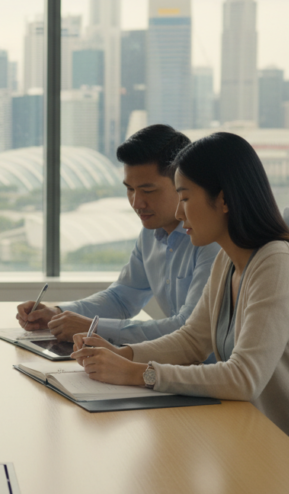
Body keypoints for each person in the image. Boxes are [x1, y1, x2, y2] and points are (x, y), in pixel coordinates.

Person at [70, 132, 289, 480]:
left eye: (185, 198)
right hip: (252, 437)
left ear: (223, 200)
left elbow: (243, 378)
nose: (177, 212)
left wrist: (135, 374)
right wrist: (124, 355)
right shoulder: (229, 259)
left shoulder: (277, 264)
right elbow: (191, 340)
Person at [17, 124, 221, 345]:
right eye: (130, 189)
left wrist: (92, 328)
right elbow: (122, 297)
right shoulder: (150, 234)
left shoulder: (211, 241)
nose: (136, 203)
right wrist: (57, 313)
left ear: (182, 184)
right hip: (173, 365)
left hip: (208, 372)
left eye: (148, 191)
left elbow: (187, 328)